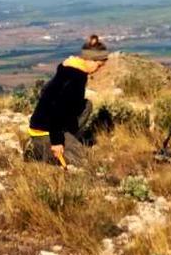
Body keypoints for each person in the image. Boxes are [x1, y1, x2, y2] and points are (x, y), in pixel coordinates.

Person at [25, 35, 109, 167]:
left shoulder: (73, 71)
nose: (98, 69)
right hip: (44, 131)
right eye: (98, 65)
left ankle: (66, 138)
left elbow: (47, 93)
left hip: (52, 125)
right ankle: (38, 149)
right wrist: (57, 142)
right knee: (84, 162)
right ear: (90, 60)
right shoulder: (73, 79)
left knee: (86, 105)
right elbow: (56, 110)